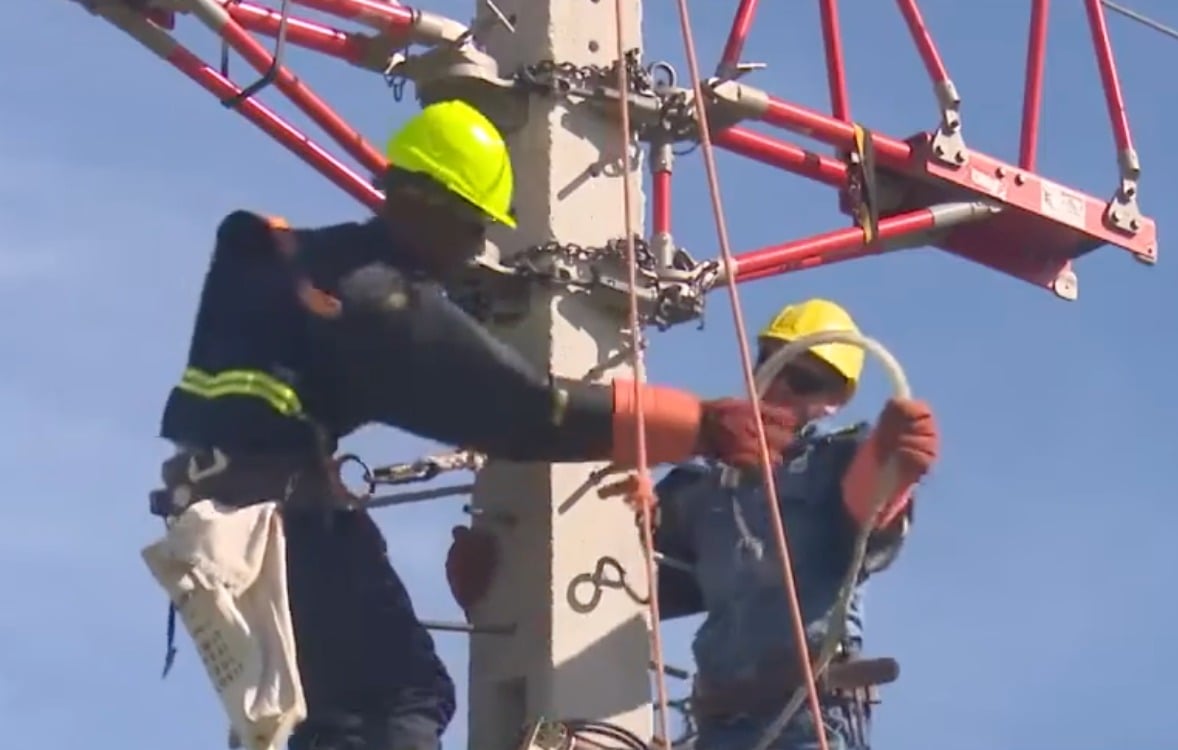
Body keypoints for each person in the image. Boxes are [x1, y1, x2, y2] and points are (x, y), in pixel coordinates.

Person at [149, 99, 798, 750]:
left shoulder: (292, 264)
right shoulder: (378, 304)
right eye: (474, 231)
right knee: (398, 701)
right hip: (277, 521)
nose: (474, 253)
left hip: (224, 515)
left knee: (320, 706)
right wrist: (701, 425)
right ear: (442, 211)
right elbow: (531, 414)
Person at [650, 299, 940, 750]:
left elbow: (870, 506)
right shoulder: (701, 482)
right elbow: (637, 572)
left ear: (834, 400)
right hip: (718, 725)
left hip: (808, 719)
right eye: (772, 362)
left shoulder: (836, 462)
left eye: (804, 379)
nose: (781, 384)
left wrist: (893, 463)